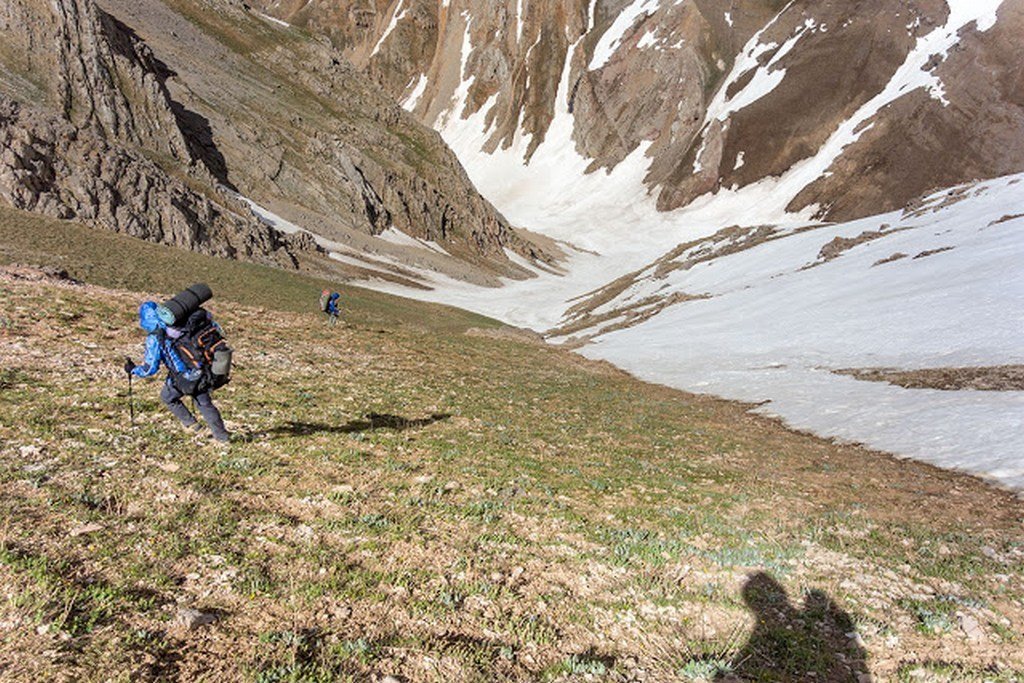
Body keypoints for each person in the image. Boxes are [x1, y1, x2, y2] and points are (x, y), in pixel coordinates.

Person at [123, 301, 231, 443]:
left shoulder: (155, 336)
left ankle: (193, 426)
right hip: (202, 370)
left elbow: (150, 368)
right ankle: (221, 437)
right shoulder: (180, 326)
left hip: (183, 378)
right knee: (204, 404)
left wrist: (133, 370)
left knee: (168, 397)